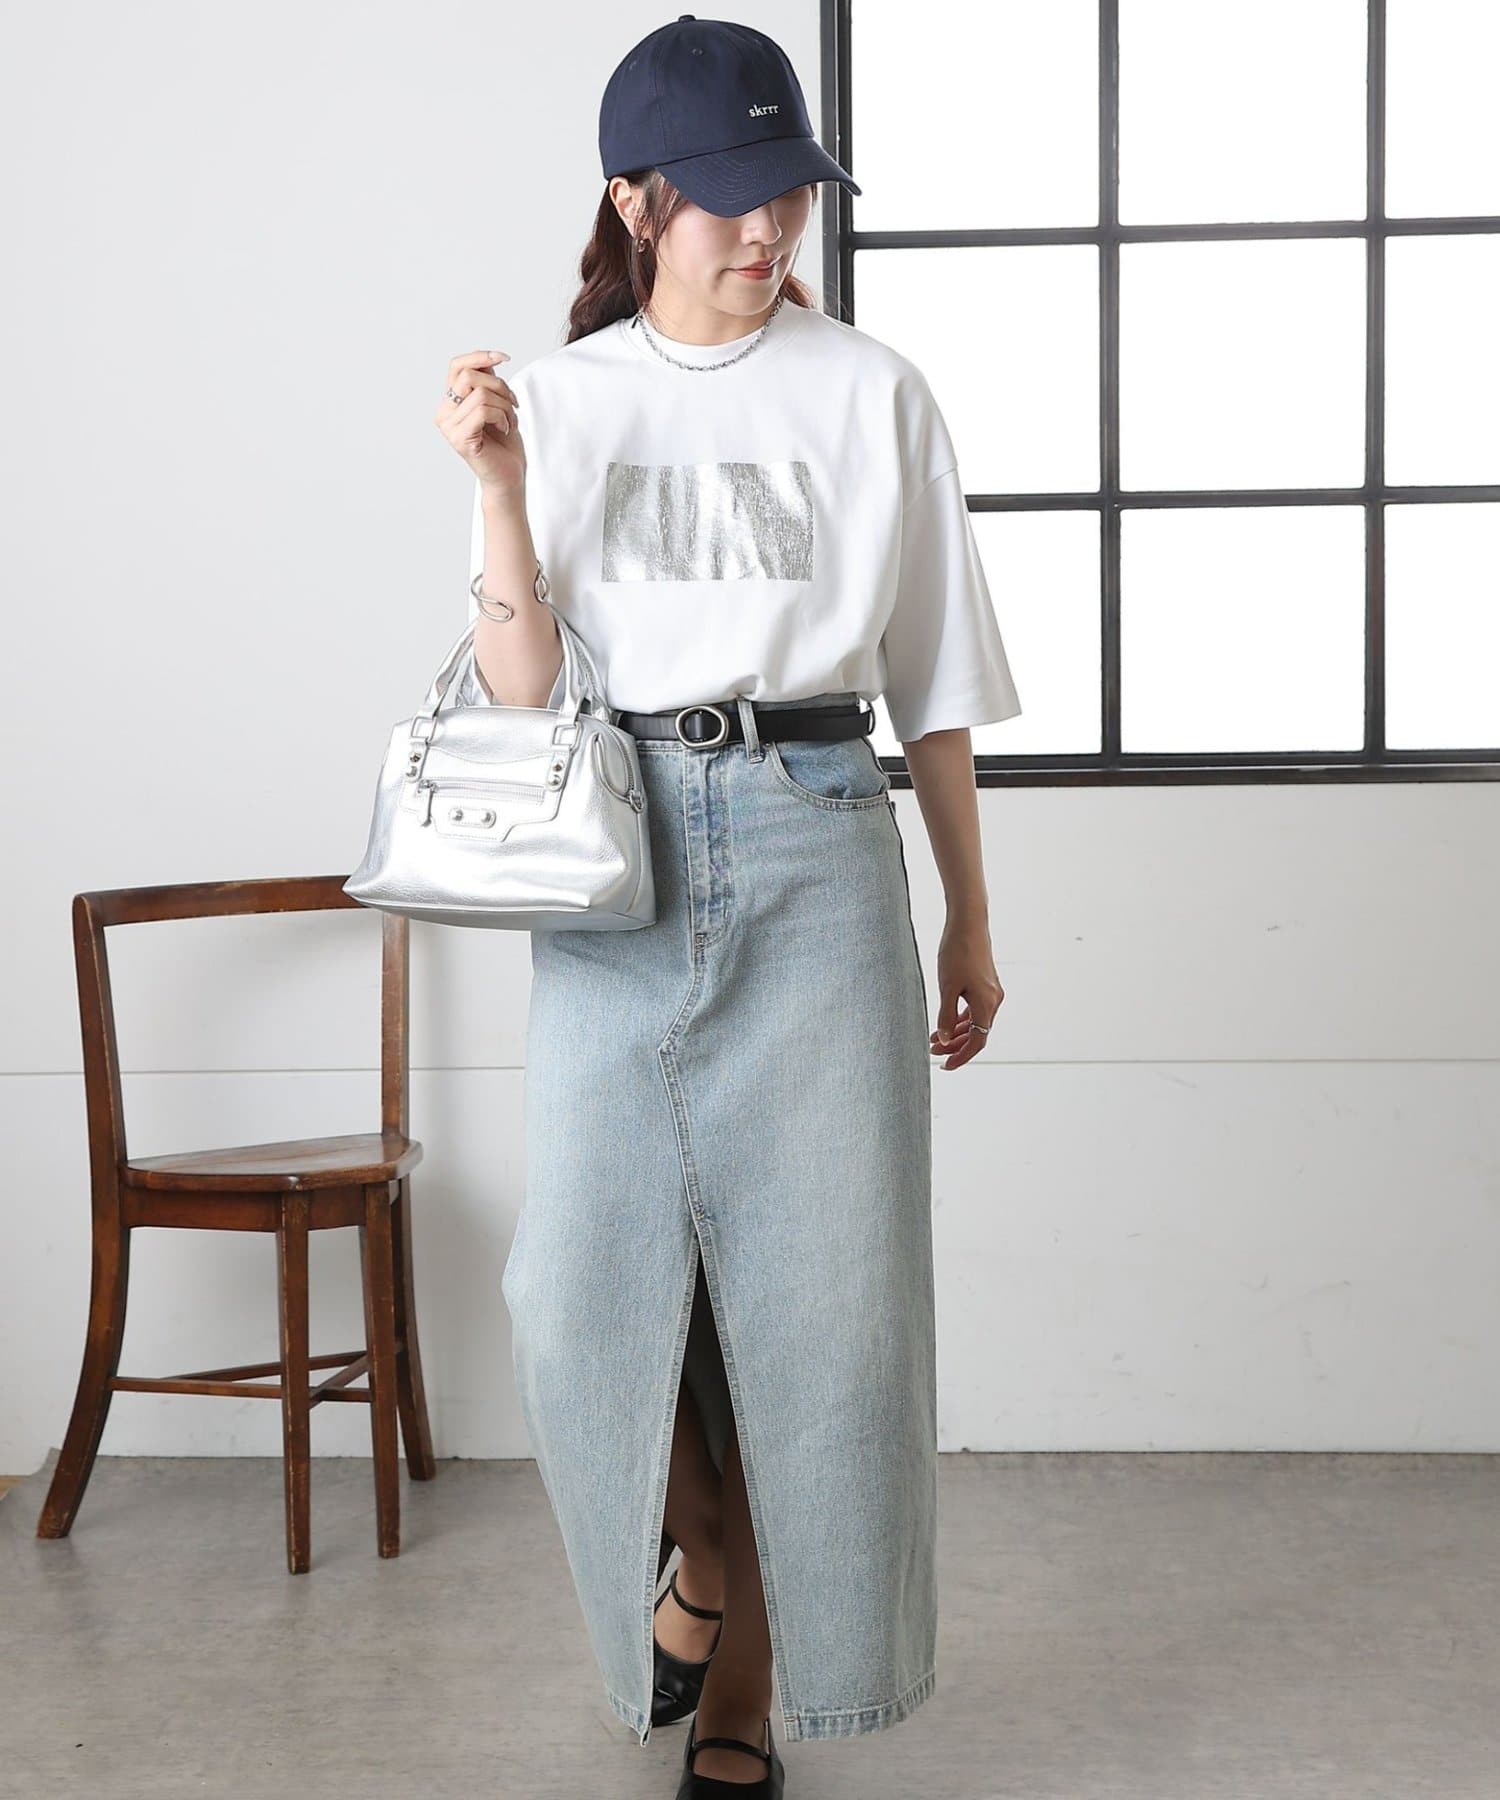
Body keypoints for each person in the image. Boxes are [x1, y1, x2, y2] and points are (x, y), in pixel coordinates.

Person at [432, 15, 1021, 1796]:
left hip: (821, 837)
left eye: (791, 193)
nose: (767, 231)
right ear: (638, 199)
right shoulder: (560, 399)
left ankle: (753, 1673)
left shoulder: (872, 391)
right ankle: (696, 1561)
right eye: (728, 197)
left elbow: (932, 686)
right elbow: (523, 692)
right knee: (579, 1298)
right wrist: (498, 494)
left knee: (820, 1305)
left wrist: (969, 919)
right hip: (619, 859)